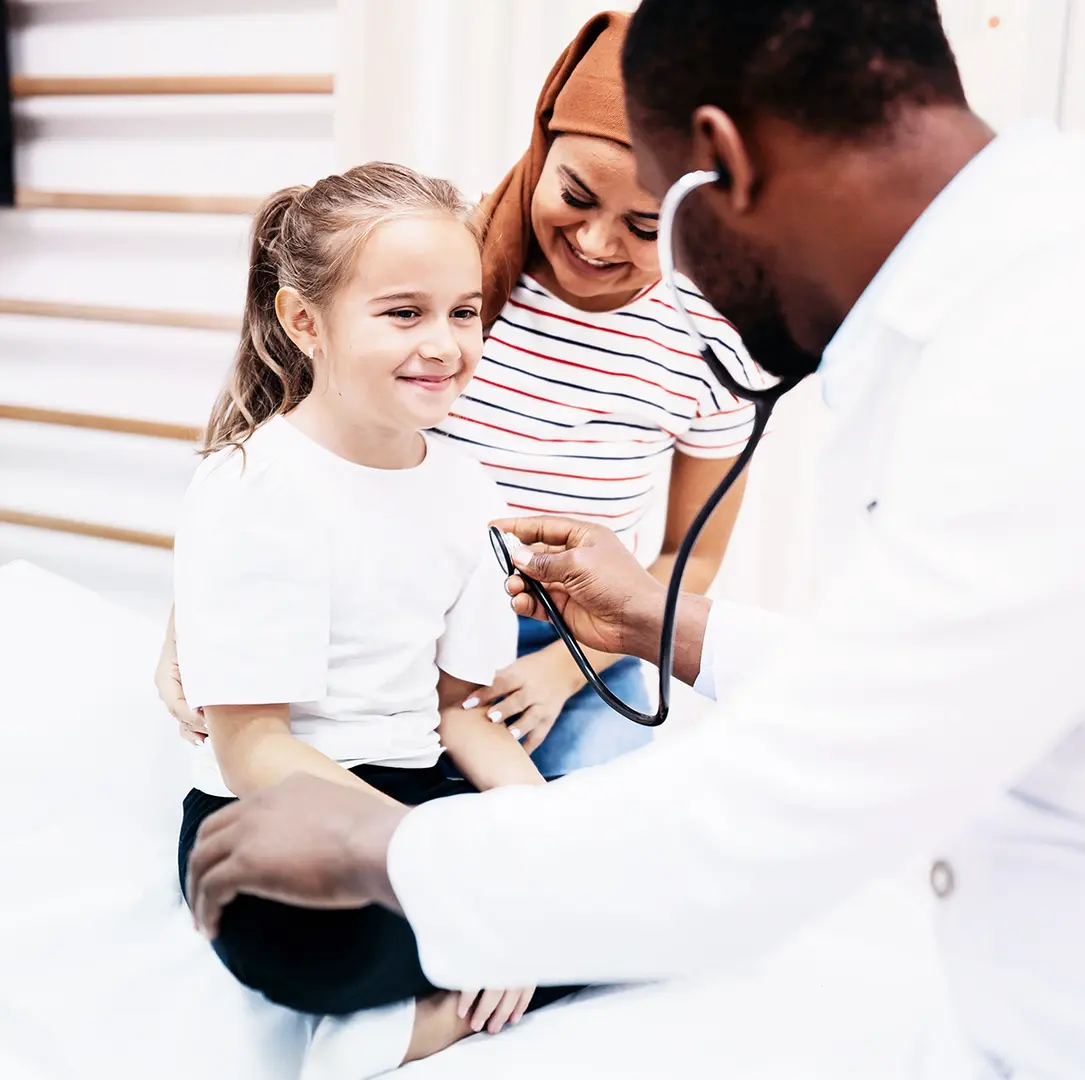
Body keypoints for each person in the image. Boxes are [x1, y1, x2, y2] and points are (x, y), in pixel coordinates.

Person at [184, 2, 1085, 1075]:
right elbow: (937, 683)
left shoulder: (1034, 353)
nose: (636, 260)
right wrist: (664, 623)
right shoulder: (1009, 302)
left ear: (720, 168)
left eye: (654, 217)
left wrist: (409, 852)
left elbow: (777, 814)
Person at [156, 10, 766, 778]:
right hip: (395, 622)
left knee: (587, 839)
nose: (596, 242)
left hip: (587, 641)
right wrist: (199, 623)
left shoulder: (712, 342)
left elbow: (691, 557)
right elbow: (296, 453)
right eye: (574, 195)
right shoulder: (443, 263)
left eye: (644, 225)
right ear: (540, 146)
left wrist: (563, 670)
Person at [173, 163, 575, 1078]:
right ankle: (406, 1017)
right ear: (303, 322)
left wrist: (546, 846)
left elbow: (458, 710)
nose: (443, 344)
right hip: (275, 810)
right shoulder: (253, 490)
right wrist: (452, 872)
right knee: (328, 951)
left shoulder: (467, 484)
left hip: (417, 790)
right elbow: (252, 746)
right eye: (403, 313)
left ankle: (431, 1009)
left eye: (463, 312)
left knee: (638, 902)